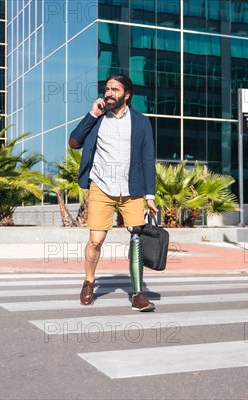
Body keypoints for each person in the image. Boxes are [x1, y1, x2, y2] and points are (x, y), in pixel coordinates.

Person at [69, 73, 159, 312]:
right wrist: (91, 114)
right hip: (101, 187)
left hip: (132, 189)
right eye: (107, 89)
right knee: (95, 240)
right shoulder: (97, 119)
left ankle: (138, 294)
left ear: (127, 94)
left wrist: (150, 195)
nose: (109, 93)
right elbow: (74, 142)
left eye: (115, 90)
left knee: (137, 240)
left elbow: (148, 159)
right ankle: (89, 282)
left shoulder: (141, 122)